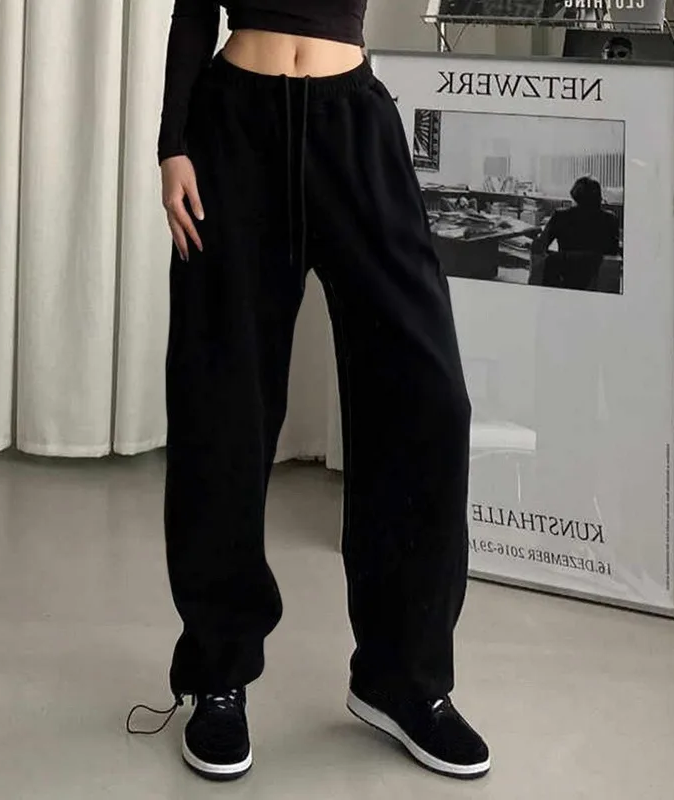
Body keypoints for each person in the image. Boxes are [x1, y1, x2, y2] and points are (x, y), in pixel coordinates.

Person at [126, 0, 489, 783]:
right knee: (222, 403)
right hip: (234, 130)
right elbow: (193, 12)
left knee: (428, 400)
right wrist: (172, 145)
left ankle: (402, 678)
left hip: (351, 124)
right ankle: (217, 674)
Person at [531, 176, 620, 290]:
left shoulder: (560, 216)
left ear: (575, 196)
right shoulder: (610, 219)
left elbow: (540, 246)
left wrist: (535, 238)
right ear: (598, 197)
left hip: (563, 277)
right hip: (597, 280)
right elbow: (613, 251)